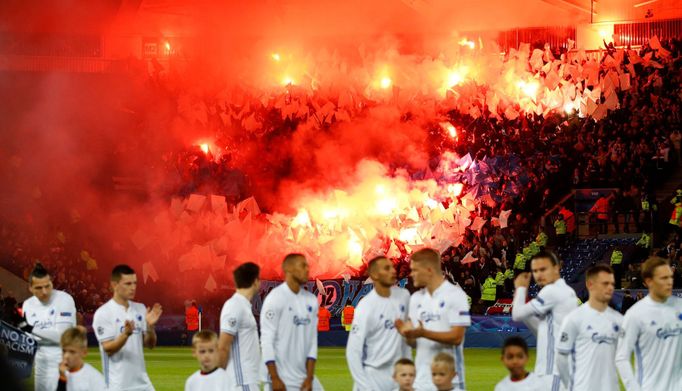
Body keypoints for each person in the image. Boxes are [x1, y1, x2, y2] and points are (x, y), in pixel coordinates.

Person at [397, 248, 470, 391]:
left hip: (449, 383)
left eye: (415, 270)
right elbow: (414, 343)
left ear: (429, 270)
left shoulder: (455, 295)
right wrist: (407, 334)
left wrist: (423, 333)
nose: (411, 275)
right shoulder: (415, 299)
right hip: (421, 382)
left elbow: (457, 337)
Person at [511, 250, 578, 390]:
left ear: (556, 268)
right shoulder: (568, 291)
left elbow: (516, 314)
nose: (538, 275)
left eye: (543, 269)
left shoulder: (551, 291)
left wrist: (521, 288)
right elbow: (544, 330)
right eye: (535, 271)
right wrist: (526, 314)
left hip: (552, 372)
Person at [615, 257, 682, 391]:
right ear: (648, 281)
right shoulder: (635, 315)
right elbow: (622, 357)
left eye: (670, 277)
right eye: (663, 278)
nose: (669, 282)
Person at [92, 264, 162, 391]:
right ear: (114, 285)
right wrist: (125, 335)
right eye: (128, 284)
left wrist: (150, 327)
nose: (133, 288)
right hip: (118, 385)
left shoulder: (140, 308)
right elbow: (108, 349)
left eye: (135, 283)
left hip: (143, 384)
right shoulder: (103, 313)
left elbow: (150, 345)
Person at [260, 254, 323, 391]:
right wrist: (274, 378)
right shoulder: (275, 299)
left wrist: (310, 377)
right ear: (288, 269)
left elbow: (311, 341)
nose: (308, 269)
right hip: (280, 379)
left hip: (303, 377)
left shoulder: (311, 300)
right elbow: (266, 341)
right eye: (303, 265)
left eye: (307, 265)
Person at [346, 256, 410, 390]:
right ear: (374, 274)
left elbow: (406, 342)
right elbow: (353, 351)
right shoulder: (366, 306)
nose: (393, 271)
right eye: (387, 268)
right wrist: (363, 385)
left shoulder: (404, 296)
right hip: (374, 377)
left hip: (399, 377)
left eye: (392, 267)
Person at [556, 265, 623, 391]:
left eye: (612, 284)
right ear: (590, 284)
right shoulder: (573, 319)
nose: (610, 288)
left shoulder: (619, 320)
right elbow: (561, 358)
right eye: (605, 283)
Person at [20, 263, 76, 391]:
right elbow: (30, 338)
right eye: (39, 288)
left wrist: (31, 329)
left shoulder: (64, 299)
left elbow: (63, 337)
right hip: (40, 364)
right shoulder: (27, 305)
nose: (44, 291)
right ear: (30, 288)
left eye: (47, 286)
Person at [218, 262, 261, 390]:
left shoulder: (243, 305)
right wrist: (217, 380)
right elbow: (223, 346)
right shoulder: (235, 305)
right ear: (255, 281)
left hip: (248, 379)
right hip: (241, 380)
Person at [56, 326, 106, 391]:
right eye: (64, 351)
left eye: (72, 352)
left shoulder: (94, 378)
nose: (66, 356)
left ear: (84, 352)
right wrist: (62, 379)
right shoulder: (59, 374)